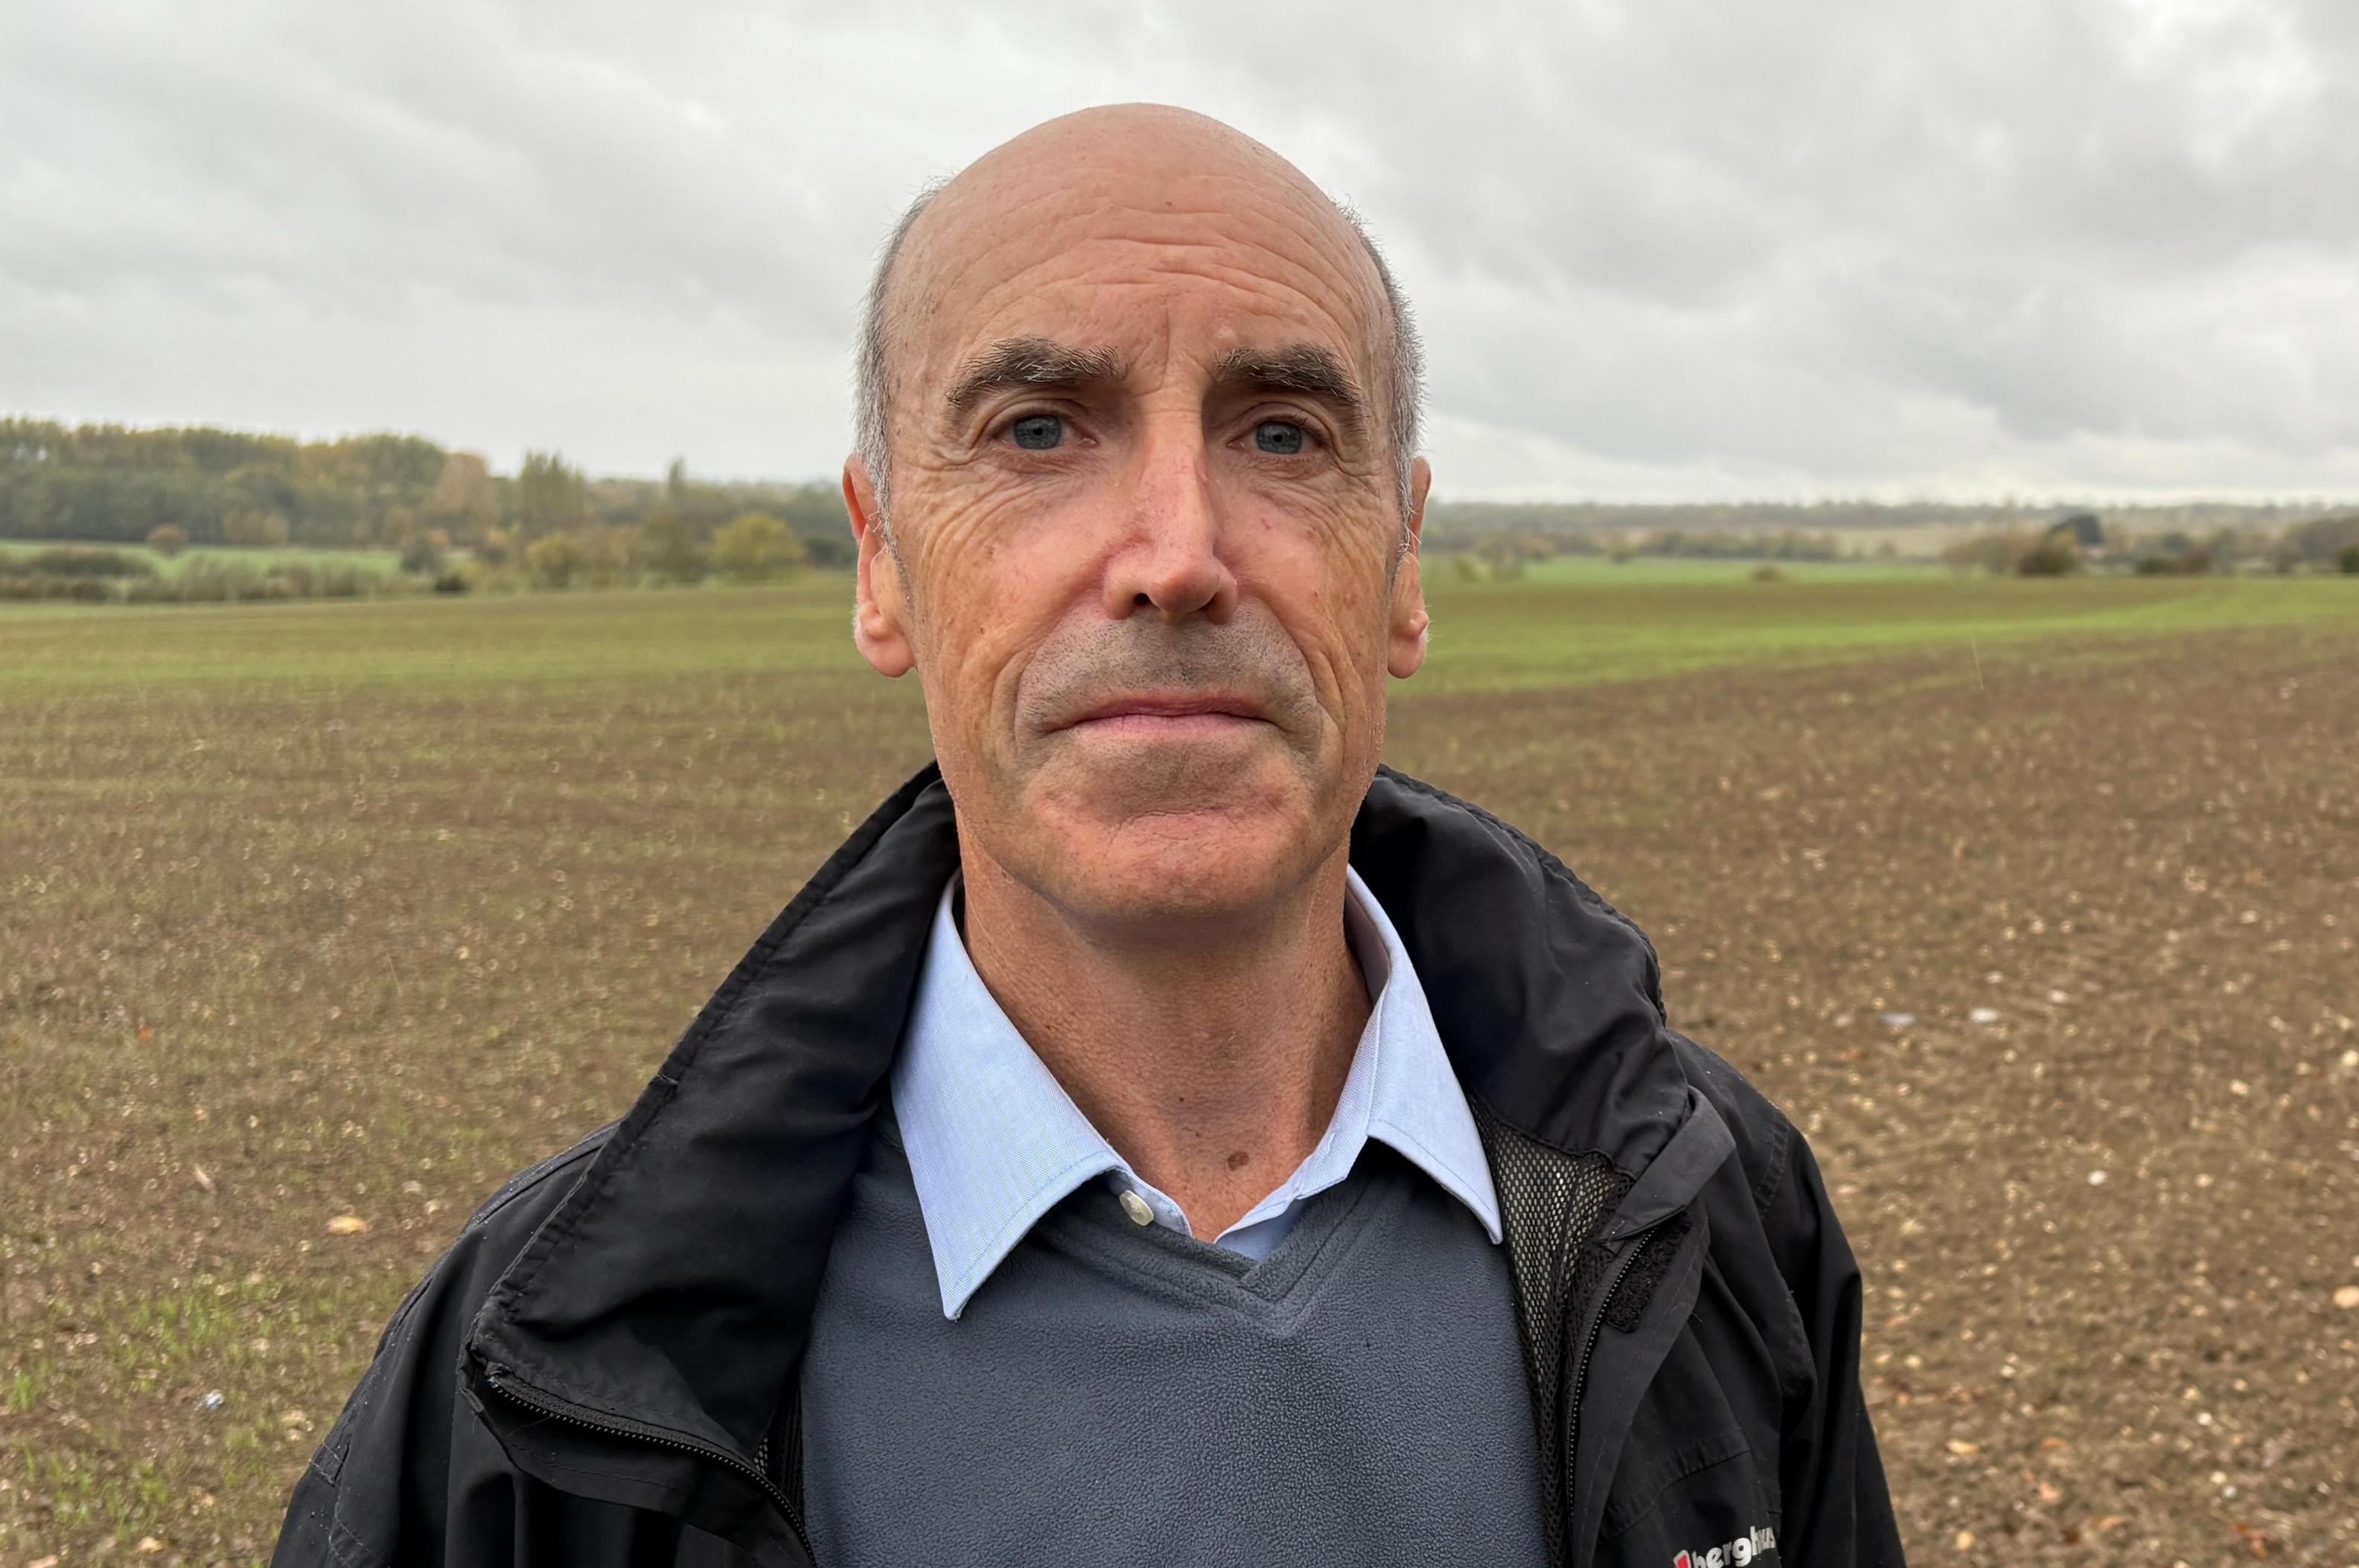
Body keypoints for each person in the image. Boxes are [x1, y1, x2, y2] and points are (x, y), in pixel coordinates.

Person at [275, 104, 1903, 1568]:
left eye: (1282, 432)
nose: (1178, 556)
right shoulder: (538, 1378)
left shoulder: (1707, 1213)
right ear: (882, 564)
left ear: (1401, 561)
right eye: (1040, 430)